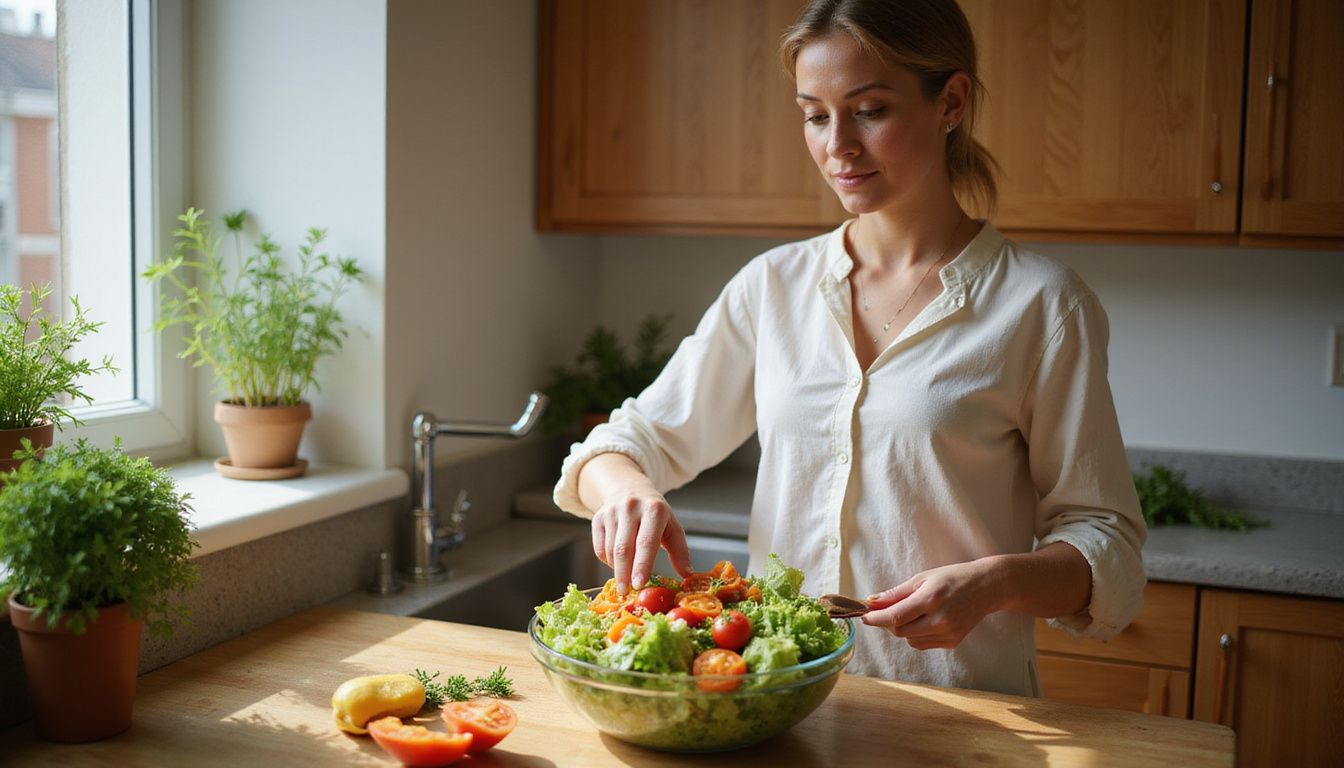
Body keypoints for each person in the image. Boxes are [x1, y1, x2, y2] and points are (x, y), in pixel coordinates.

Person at [551, 0, 1146, 697]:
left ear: (950, 101)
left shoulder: (1042, 305)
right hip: (782, 710)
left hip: (962, 714)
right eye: (814, 114)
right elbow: (630, 440)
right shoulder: (772, 287)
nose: (838, 145)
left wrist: (996, 583)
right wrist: (627, 488)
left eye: (869, 110)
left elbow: (1109, 547)